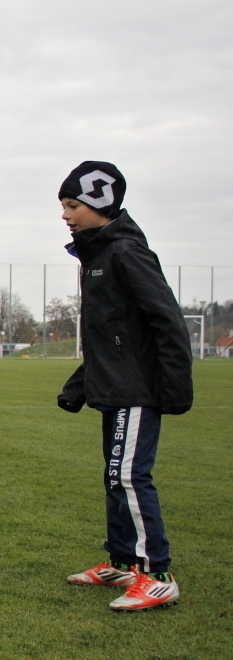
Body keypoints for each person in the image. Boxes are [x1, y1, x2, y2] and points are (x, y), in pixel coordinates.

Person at [56, 161, 192, 612]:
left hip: (137, 390)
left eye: (72, 205)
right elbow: (110, 335)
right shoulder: (98, 256)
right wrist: (81, 383)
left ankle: (157, 574)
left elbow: (167, 322)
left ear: (100, 203)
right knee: (115, 476)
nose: (65, 214)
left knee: (130, 476)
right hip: (115, 387)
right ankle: (124, 560)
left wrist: (174, 387)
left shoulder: (127, 253)